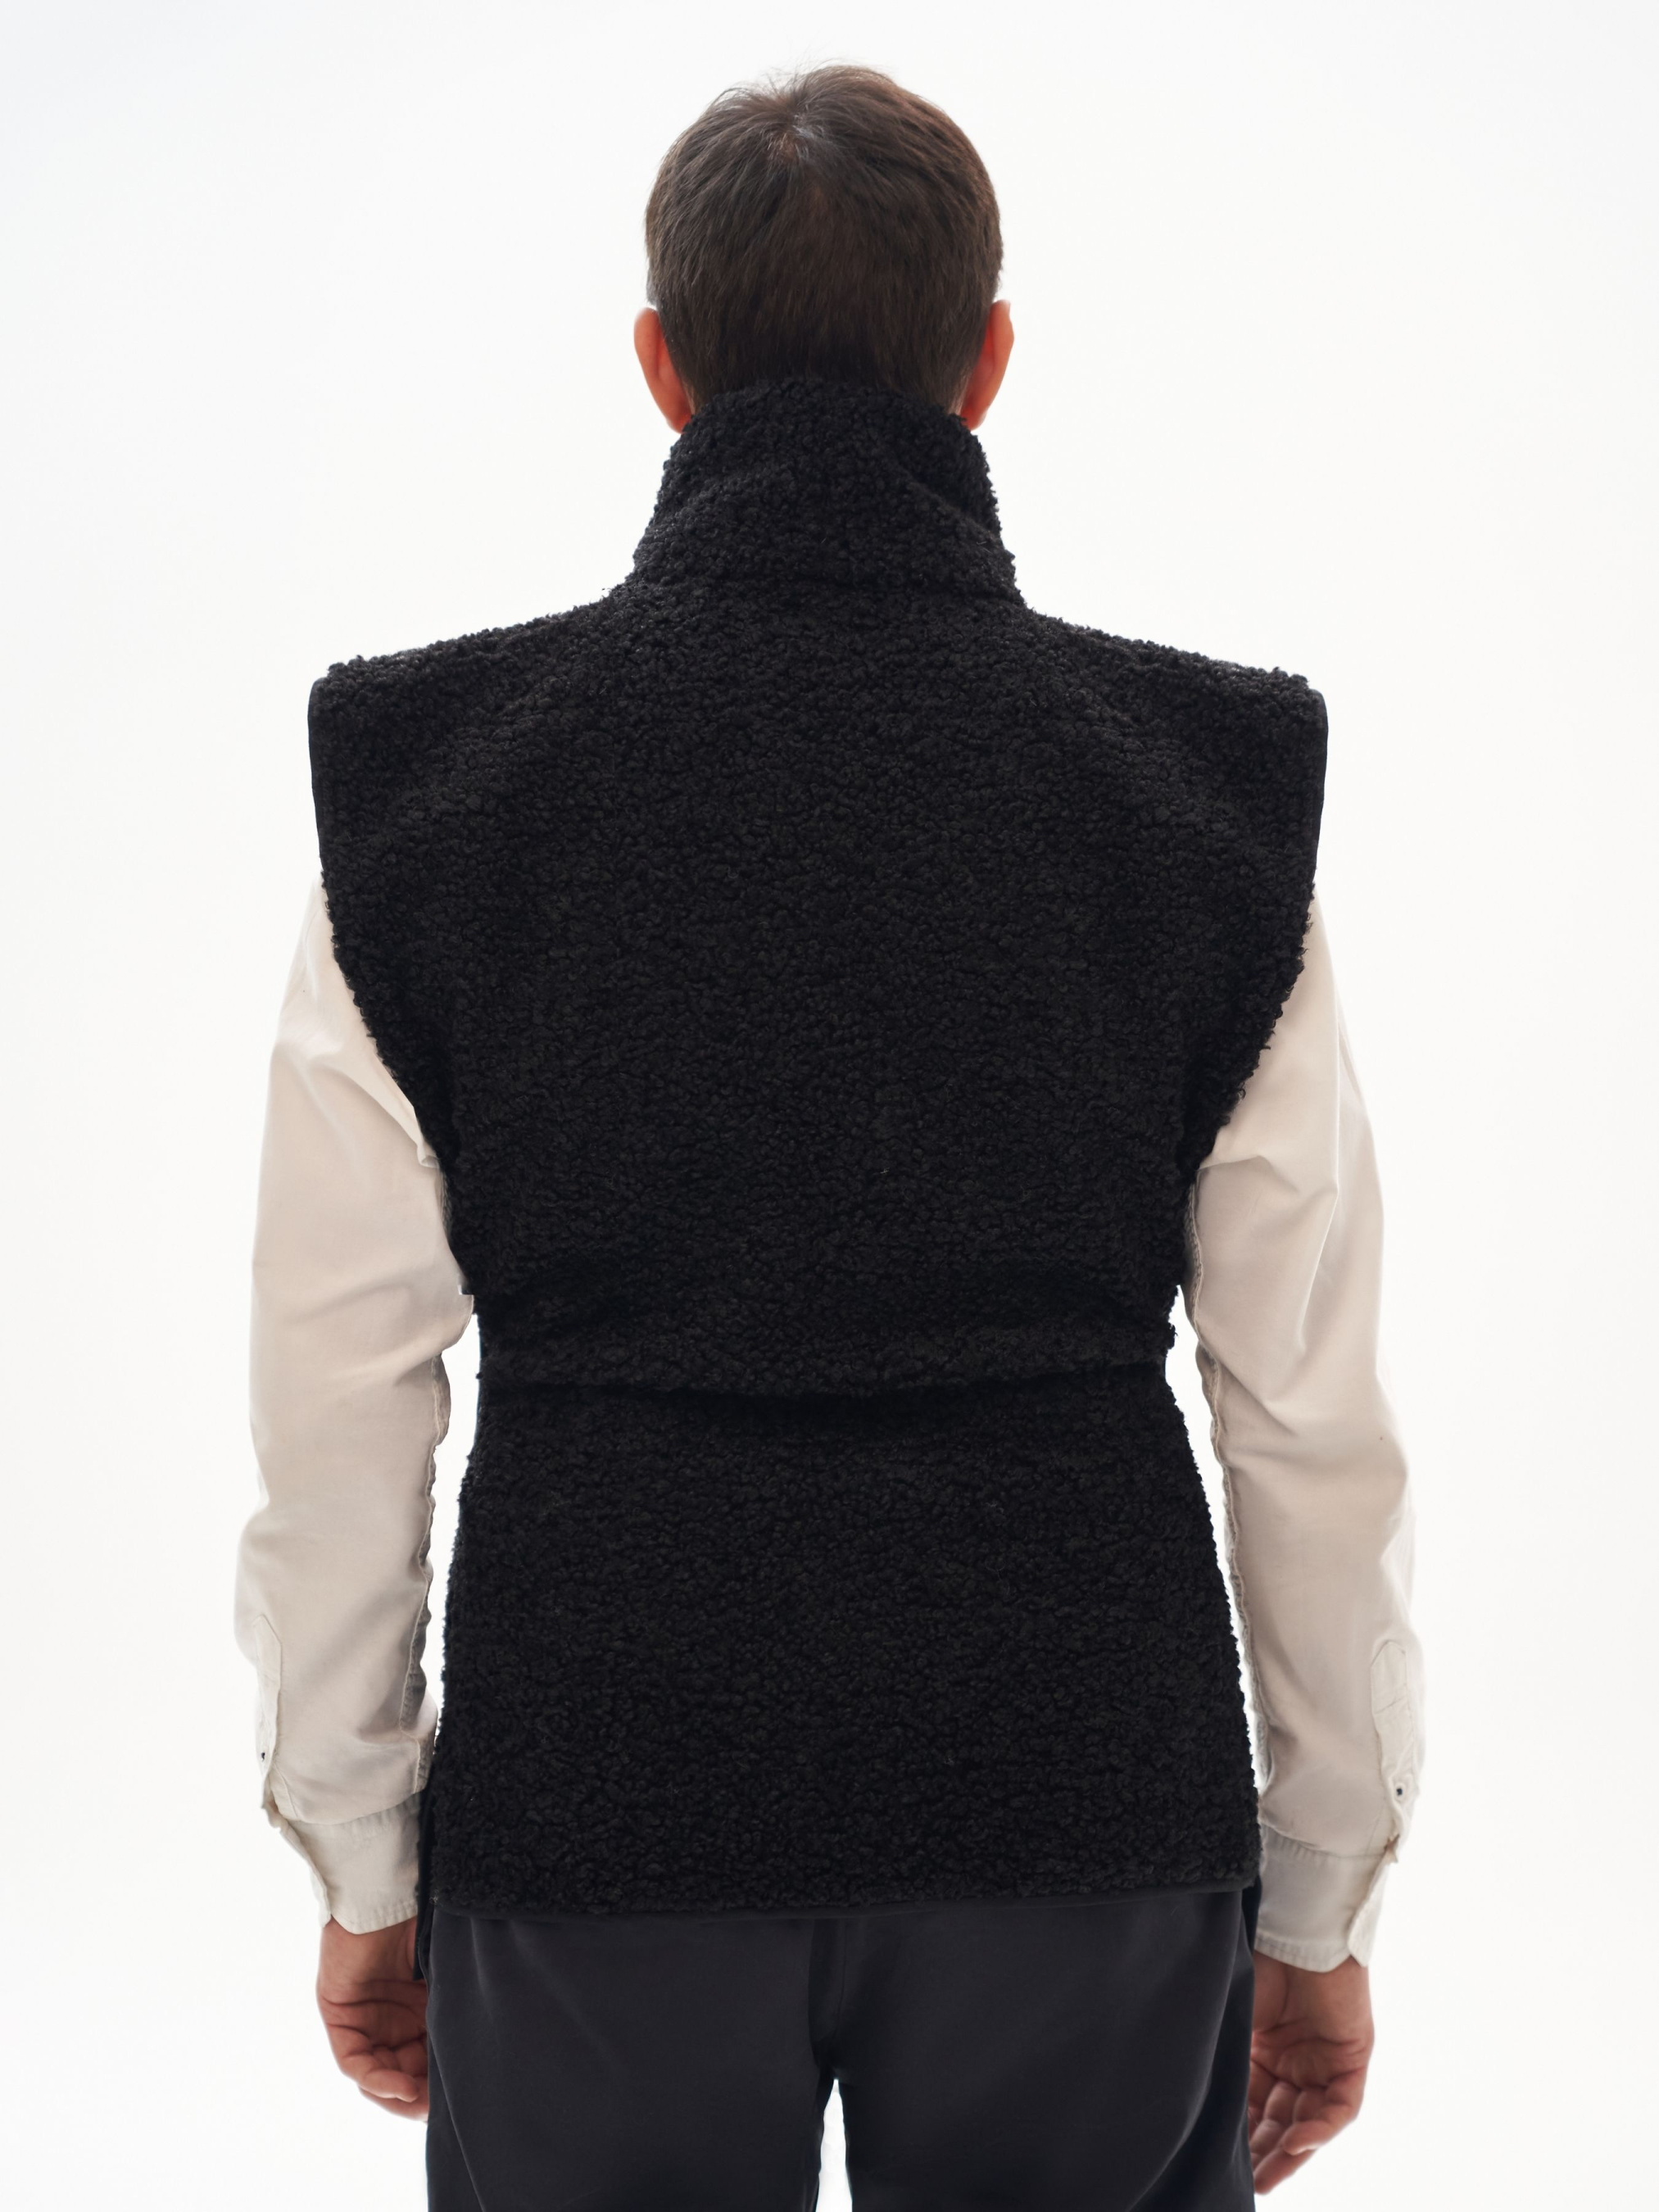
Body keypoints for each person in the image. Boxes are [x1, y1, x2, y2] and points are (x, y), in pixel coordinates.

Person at [236, 62, 1423, 2210]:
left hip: (600, 1793)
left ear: (659, 368)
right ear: (989, 360)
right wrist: (1322, 1894)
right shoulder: (1205, 792)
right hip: (1077, 1787)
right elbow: (1307, 1425)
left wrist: (362, 1853)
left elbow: (338, 1405)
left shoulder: (424, 791)